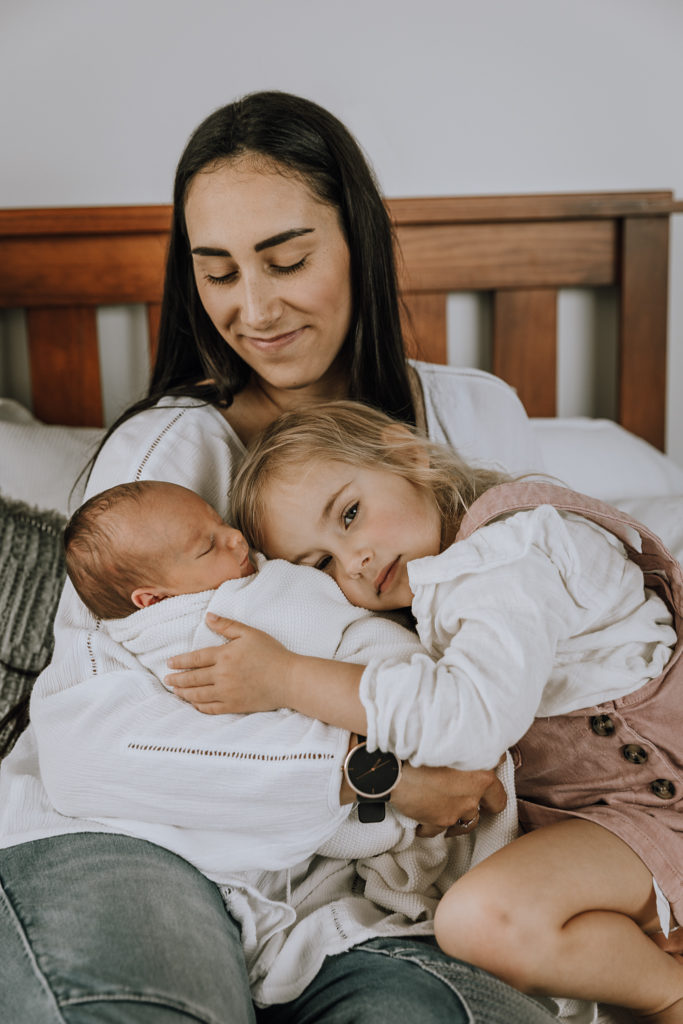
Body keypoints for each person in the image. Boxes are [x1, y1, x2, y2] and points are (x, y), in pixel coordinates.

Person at [0, 90, 561, 1024]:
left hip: (375, 897)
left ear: (359, 243)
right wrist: (372, 781)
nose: (252, 310)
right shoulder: (166, 458)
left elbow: (567, 660)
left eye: (287, 260)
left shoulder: (476, 420)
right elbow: (87, 750)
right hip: (142, 840)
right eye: (215, 273)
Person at [194, 398, 682, 1021]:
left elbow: (469, 719)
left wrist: (287, 677)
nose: (356, 561)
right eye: (322, 565)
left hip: (661, 796)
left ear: (409, 457)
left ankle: (669, 992)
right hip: (616, 822)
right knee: (484, 922)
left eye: (349, 515)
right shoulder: (439, 593)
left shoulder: (509, 556)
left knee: (481, 920)